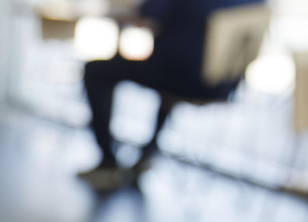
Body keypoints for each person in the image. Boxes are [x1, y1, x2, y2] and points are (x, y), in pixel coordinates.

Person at [79, 0, 266, 188]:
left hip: (178, 77)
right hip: (223, 85)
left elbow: (144, 17)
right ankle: (147, 155)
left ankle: (107, 163)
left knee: (96, 71)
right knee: (169, 65)